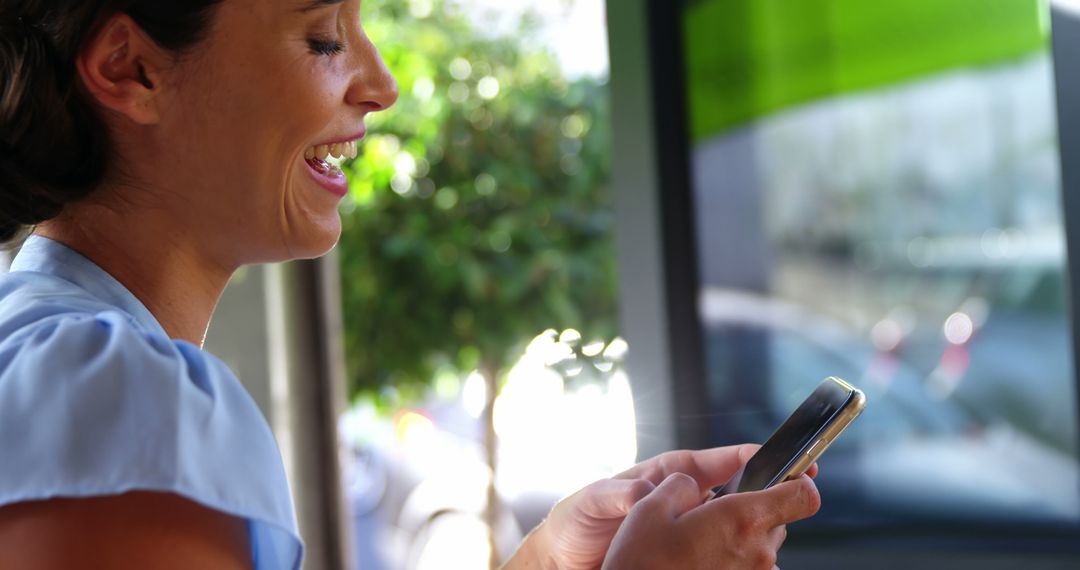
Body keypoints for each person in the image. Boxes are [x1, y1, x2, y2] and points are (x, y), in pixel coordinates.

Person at [0, 1, 820, 568]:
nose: (381, 83)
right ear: (132, 67)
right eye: (324, 36)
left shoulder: (71, 361)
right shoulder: (120, 393)